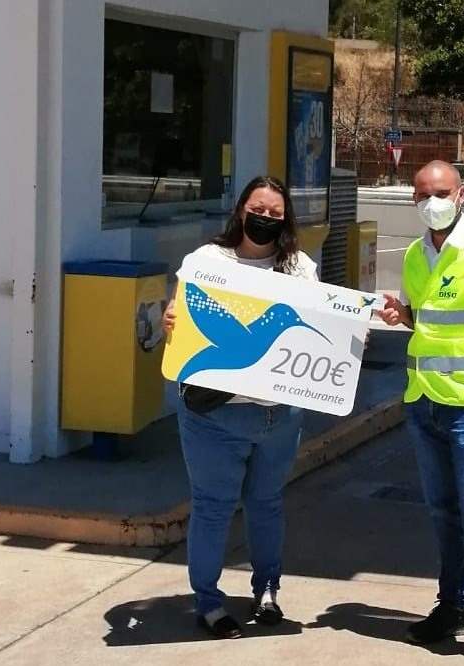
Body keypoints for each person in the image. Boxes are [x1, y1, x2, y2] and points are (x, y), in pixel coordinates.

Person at [375, 161, 464, 666]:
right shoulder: (417, 254)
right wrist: (403, 315)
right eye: (421, 194)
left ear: (461, 195)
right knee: (442, 513)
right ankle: (453, 607)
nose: (430, 201)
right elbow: (428, 318)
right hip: (425, 404)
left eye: (440, 192)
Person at [162, 176, 320, 639]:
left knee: (266, 504)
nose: (265, 219)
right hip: (215, 416)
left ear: (285, 219)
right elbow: (180, 317)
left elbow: (320, 325)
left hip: (278, 416)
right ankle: (208, 602)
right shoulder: (208, 261)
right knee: (213, 507)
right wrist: (171, 318)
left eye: (275, 214)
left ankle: (267, 589)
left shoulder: (300, 269)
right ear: (240, 210)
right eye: (258, 209)